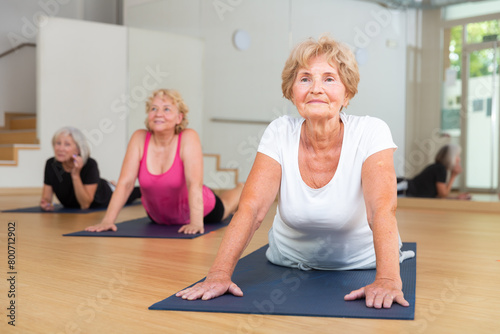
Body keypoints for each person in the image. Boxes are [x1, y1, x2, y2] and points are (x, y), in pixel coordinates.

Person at [176, 35, 414, 309]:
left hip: (362, 262)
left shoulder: (371, 132)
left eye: (329, 78)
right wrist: (218, 274)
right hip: (286, 260)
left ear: (347, 94)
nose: (316, 88)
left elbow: (382, 209)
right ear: (291, 91)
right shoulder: (279, 132)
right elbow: (251, 210)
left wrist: (386, 279)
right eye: (304, 79)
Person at [85, 89, 244, 234]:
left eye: (166, 109)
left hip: (202, 211)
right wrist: (107, 221)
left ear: (179, 117)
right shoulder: (139, 138)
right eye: (154, 109)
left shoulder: (188, 137)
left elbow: (193, 184)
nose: (158, 113)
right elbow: (125, 184)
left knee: (226, 206)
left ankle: (240, 188)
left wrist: (196, 223)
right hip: (158, 218)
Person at [41, 127, 141, 211]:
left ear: (78, 149)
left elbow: (85, 205)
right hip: (94, 187)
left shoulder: (90, 164)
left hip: (106, 195)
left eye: (67, 144)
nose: (60, 148)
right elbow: (47, 199)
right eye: (58, 143)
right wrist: (46, 204)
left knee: (134, 192)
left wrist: (75, 175)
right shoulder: (51, 164)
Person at [397, 144, 470, 199]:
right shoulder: (440, 169)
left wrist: (456, 197)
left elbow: (438, 195)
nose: (459, 159)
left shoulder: (439, 168)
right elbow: (443, 194)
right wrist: (453, 176)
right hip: (404, 187)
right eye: (457, 156)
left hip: (407, 190)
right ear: (451, 158)